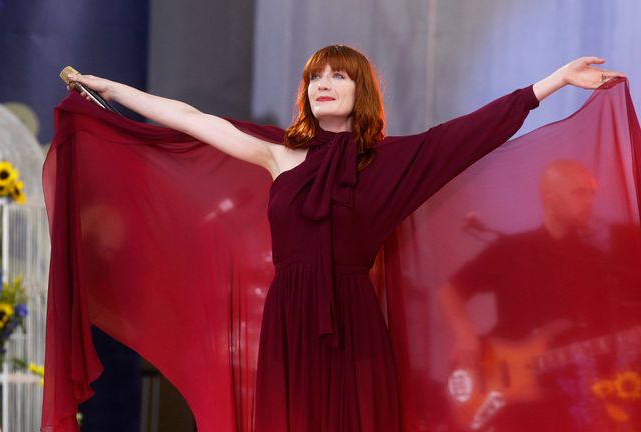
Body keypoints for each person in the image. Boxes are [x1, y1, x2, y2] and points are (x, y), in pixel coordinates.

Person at [62, 45, 624, 431]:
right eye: (315, 77)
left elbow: (474, 131)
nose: (324, 85)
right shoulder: (278, 155)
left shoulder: (395, 161)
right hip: (290, 324)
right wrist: (108, 87)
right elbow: (188, 117)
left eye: (339, 76)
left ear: (362, 91)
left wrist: (554, 82)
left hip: (353, 324)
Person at [439, 160, 641, 430]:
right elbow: (450, 290)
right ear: (550, 197)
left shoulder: (600, 257)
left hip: (581, 393)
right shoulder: (511, 249)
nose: (590, 201)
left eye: (592, 192)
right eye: (579, 192)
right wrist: (465, 334)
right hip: (518, 400)